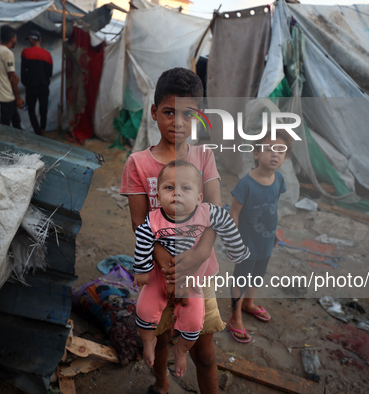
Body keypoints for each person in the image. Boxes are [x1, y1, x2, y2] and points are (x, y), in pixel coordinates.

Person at [120, 67, 224, 394]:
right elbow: (140, 224)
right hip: (157, 273)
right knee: (161, 335)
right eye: (168, 112)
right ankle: (161, 385)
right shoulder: (138, 163)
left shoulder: (204, 157)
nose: (177, 122)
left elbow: (215, 214)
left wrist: (198, 256)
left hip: (198, 272)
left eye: (188, 114)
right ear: (153, 112)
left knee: (204, 353)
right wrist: (166, 263)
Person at [133, 160, 250, 377]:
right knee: (143, 310)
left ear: (198, 198)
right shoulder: (153, 220)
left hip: (194, 277)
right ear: (158, 197)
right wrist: (142, 269)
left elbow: (226, 223)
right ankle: (148, 340)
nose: (177, 193)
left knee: (195, 321)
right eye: (169, 188)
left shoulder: (207, 213)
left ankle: (180, 350)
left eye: (185, 188)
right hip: (160, 274)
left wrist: (238, 252)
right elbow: (142, 241)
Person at [226, 131, 292, 343]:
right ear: (255, 153)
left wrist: (275, 231)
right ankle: (235, 317)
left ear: (286, 158)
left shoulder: (278, 179)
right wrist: (233, 241)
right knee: (241, 278)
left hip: (266, 240)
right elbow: (234, 212)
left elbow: (271, 207)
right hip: (246, 243)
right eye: (269, 149)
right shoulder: (246, 184)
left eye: (281, 151)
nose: (275, 154)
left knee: (258, 274)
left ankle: (248, 303)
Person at [0, 25, 24, 128]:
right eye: (16, 38)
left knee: (16, 120)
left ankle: (19, 140)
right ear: (13, 38)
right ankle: (3, 142)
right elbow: (12, 78)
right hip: (6, 95)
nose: (16, 40)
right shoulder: (7, 53)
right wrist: (18, 97)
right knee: (5, 124)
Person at [21, 29, 53, 136]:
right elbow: (49, 73)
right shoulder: (47, 55)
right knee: (43, 110)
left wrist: (27, 83)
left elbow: (22, 73)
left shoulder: (25, 52)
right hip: (44, 87)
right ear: (40, 40)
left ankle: (38, 132)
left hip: (31, 88)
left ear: (31, 39)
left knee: (31, 110)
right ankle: (43, 130)